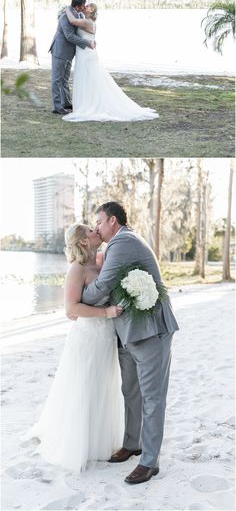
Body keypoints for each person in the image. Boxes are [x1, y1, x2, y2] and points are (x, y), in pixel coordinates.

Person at [81, 202, 179, 485]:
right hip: (129, 331)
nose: (96, 227)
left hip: (150, 331)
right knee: (131, 391)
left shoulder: (123, 242)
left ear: (113, 220)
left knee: (152, 397)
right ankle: (132, 443)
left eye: (99, 222)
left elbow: (103, 286)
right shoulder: (119, 243)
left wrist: (76, 298)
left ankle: (149, 462)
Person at [22, 224, 124, 472]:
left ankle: (104, 439)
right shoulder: (76, 270)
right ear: (82, 242)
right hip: (88, 337)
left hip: (108, 336)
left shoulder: (103, 258)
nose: (96, 230)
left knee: (105, 386)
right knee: (85, 385)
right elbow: (71, 309)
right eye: (90, 230)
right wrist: (106, 312)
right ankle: (80, 442)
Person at [62, 4, 159, 122]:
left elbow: (72, 21)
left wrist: (66, 9)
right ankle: (86, 102)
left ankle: (89, 104)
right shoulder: (88, 21)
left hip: (86, 55)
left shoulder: (87, 22)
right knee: (88, 80)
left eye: (87, 6)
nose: (85, 6)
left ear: (91, 10)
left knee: (88, 79)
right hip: (85, 53)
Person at [49, 0, 95, 115]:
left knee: (65, 79)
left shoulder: (78, 15)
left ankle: (67, 103)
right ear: (77, 6)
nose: (84, 7)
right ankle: (57, 107)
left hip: (69, 52)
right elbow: (69, 36)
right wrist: (86, 43)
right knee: (57, 79)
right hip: (60, 50)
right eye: (83, 5)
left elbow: (80, 31)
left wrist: (91, 39)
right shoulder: (65, 16)